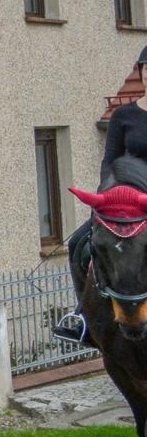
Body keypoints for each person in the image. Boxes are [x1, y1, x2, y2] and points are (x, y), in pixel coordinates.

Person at [54, 45, 147, 343]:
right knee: (80, 242)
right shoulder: (124, 115)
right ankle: (83, 316)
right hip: (127, 201)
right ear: (141, 74)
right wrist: (107, 194)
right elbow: (110, 159)